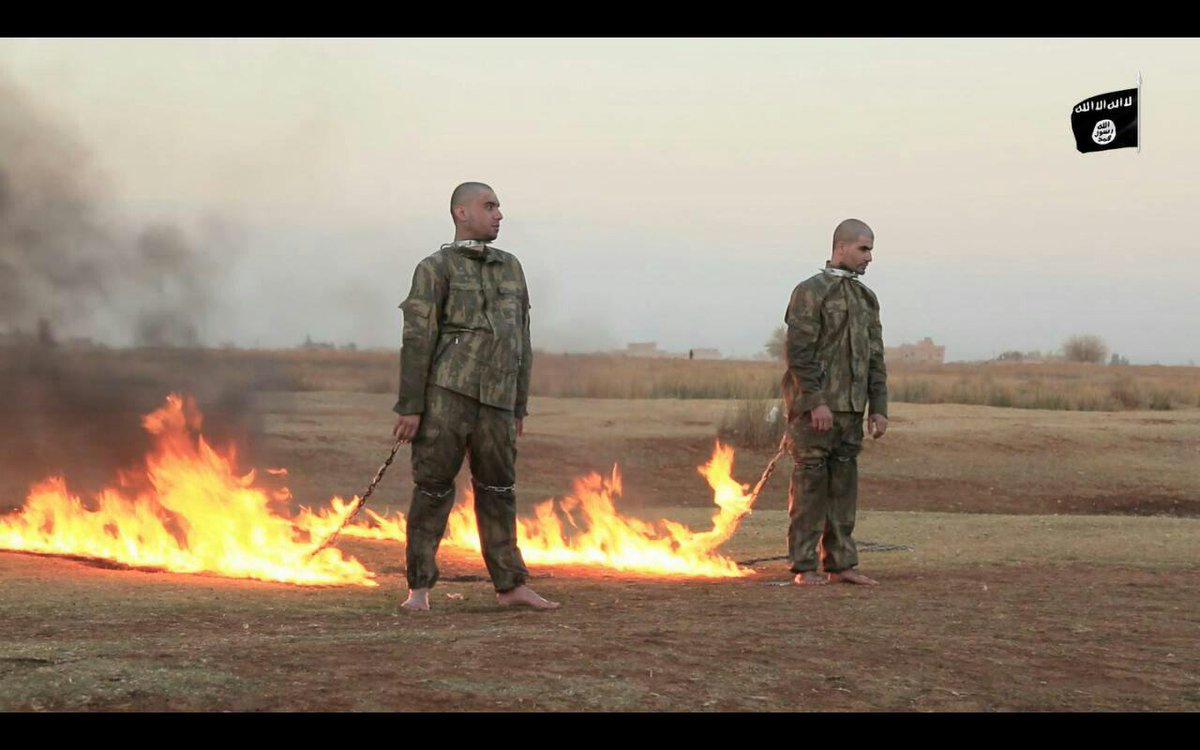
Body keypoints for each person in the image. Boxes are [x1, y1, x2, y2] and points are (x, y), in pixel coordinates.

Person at [391, 182, 558, 611]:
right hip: (448, 395)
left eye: (499, 206)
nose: (499, 214)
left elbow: (521, 338)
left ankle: (511, 586)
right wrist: (410, 406)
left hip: (499, 401)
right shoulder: (435, 268)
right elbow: (417, 339)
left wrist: (519, 402)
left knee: (499, 489)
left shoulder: (511, 268)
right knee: (432, 489)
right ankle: (419, 590)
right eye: (489, 206)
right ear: (461, 213)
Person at [781, 218, 888, 587]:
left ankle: (841, 563)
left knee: (844, 490)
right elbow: (799, 353)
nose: (869, 257)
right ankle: (803, 566)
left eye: (871, 249)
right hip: (815, 415)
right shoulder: (811, 291)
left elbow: (875, 356)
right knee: (810, 488)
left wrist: (878, 407)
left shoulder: (865, 298)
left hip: (851, 413)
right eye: (863, 248)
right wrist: (815, 402)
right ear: (840, 247)